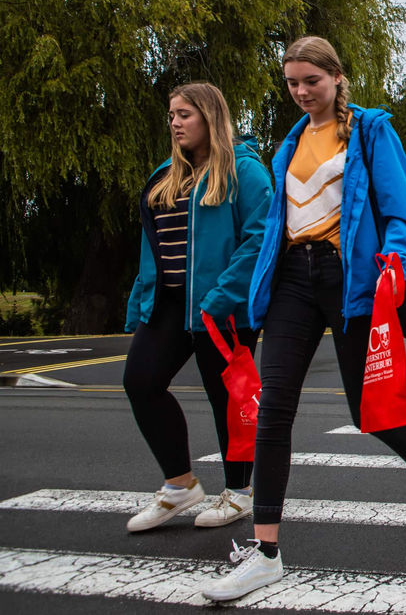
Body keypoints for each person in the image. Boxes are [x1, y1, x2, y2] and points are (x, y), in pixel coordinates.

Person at [203, 36, 406, 603]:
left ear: (336, 76)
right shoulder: (288, 145)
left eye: (311, 80)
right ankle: (265, 554)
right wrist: (234, 295)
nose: (301, 91)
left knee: (367, 409)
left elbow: (401, 215)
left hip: (350, 279)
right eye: (292, 83)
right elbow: (275, 229)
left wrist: (397, 265)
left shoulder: (370, 130)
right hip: (293, 277)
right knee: (274, 406)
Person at [123, 83, 272, 533]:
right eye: (171, 115)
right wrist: (140, 297)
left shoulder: (244, 172)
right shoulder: (165, 174)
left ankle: (240, 492)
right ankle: (180, 485)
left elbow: (258, 237)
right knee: (141, 381)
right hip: (169, 303)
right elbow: (155, 246)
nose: (175, 122)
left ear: (210, 116)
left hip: (221, 307)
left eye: (184, 114)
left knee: (228, 399)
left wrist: (224, 294)